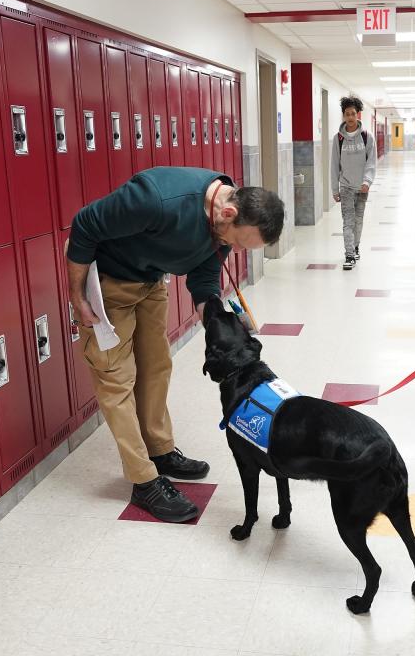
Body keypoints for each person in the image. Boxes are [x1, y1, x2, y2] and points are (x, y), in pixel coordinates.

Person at [66, 167, 284, 521]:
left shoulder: (223, 226)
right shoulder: (156, 199)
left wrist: (216, 318)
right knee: (116, 380)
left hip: (150, 282)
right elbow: (85, 224)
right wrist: (77, 296)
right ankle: (143, 479)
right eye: (240, 243)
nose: (235, 249)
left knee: (156, 368)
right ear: (228, 213)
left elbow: (204, 275)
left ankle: (159, 450)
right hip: (106, 286)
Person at [331, 96, 376, 270]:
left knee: (358, 220)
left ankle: (356, 246)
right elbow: (334, 164)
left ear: (358, 115)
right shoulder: (338, 138)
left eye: (353, 114)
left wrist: (367, 181)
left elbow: (371, 161)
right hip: (346, 186)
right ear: (343, 116)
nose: (350, 117)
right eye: (347, 114)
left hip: (362, 187)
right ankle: (349, 254)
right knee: (348, 221)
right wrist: (335, 189)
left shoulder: (366, 136)